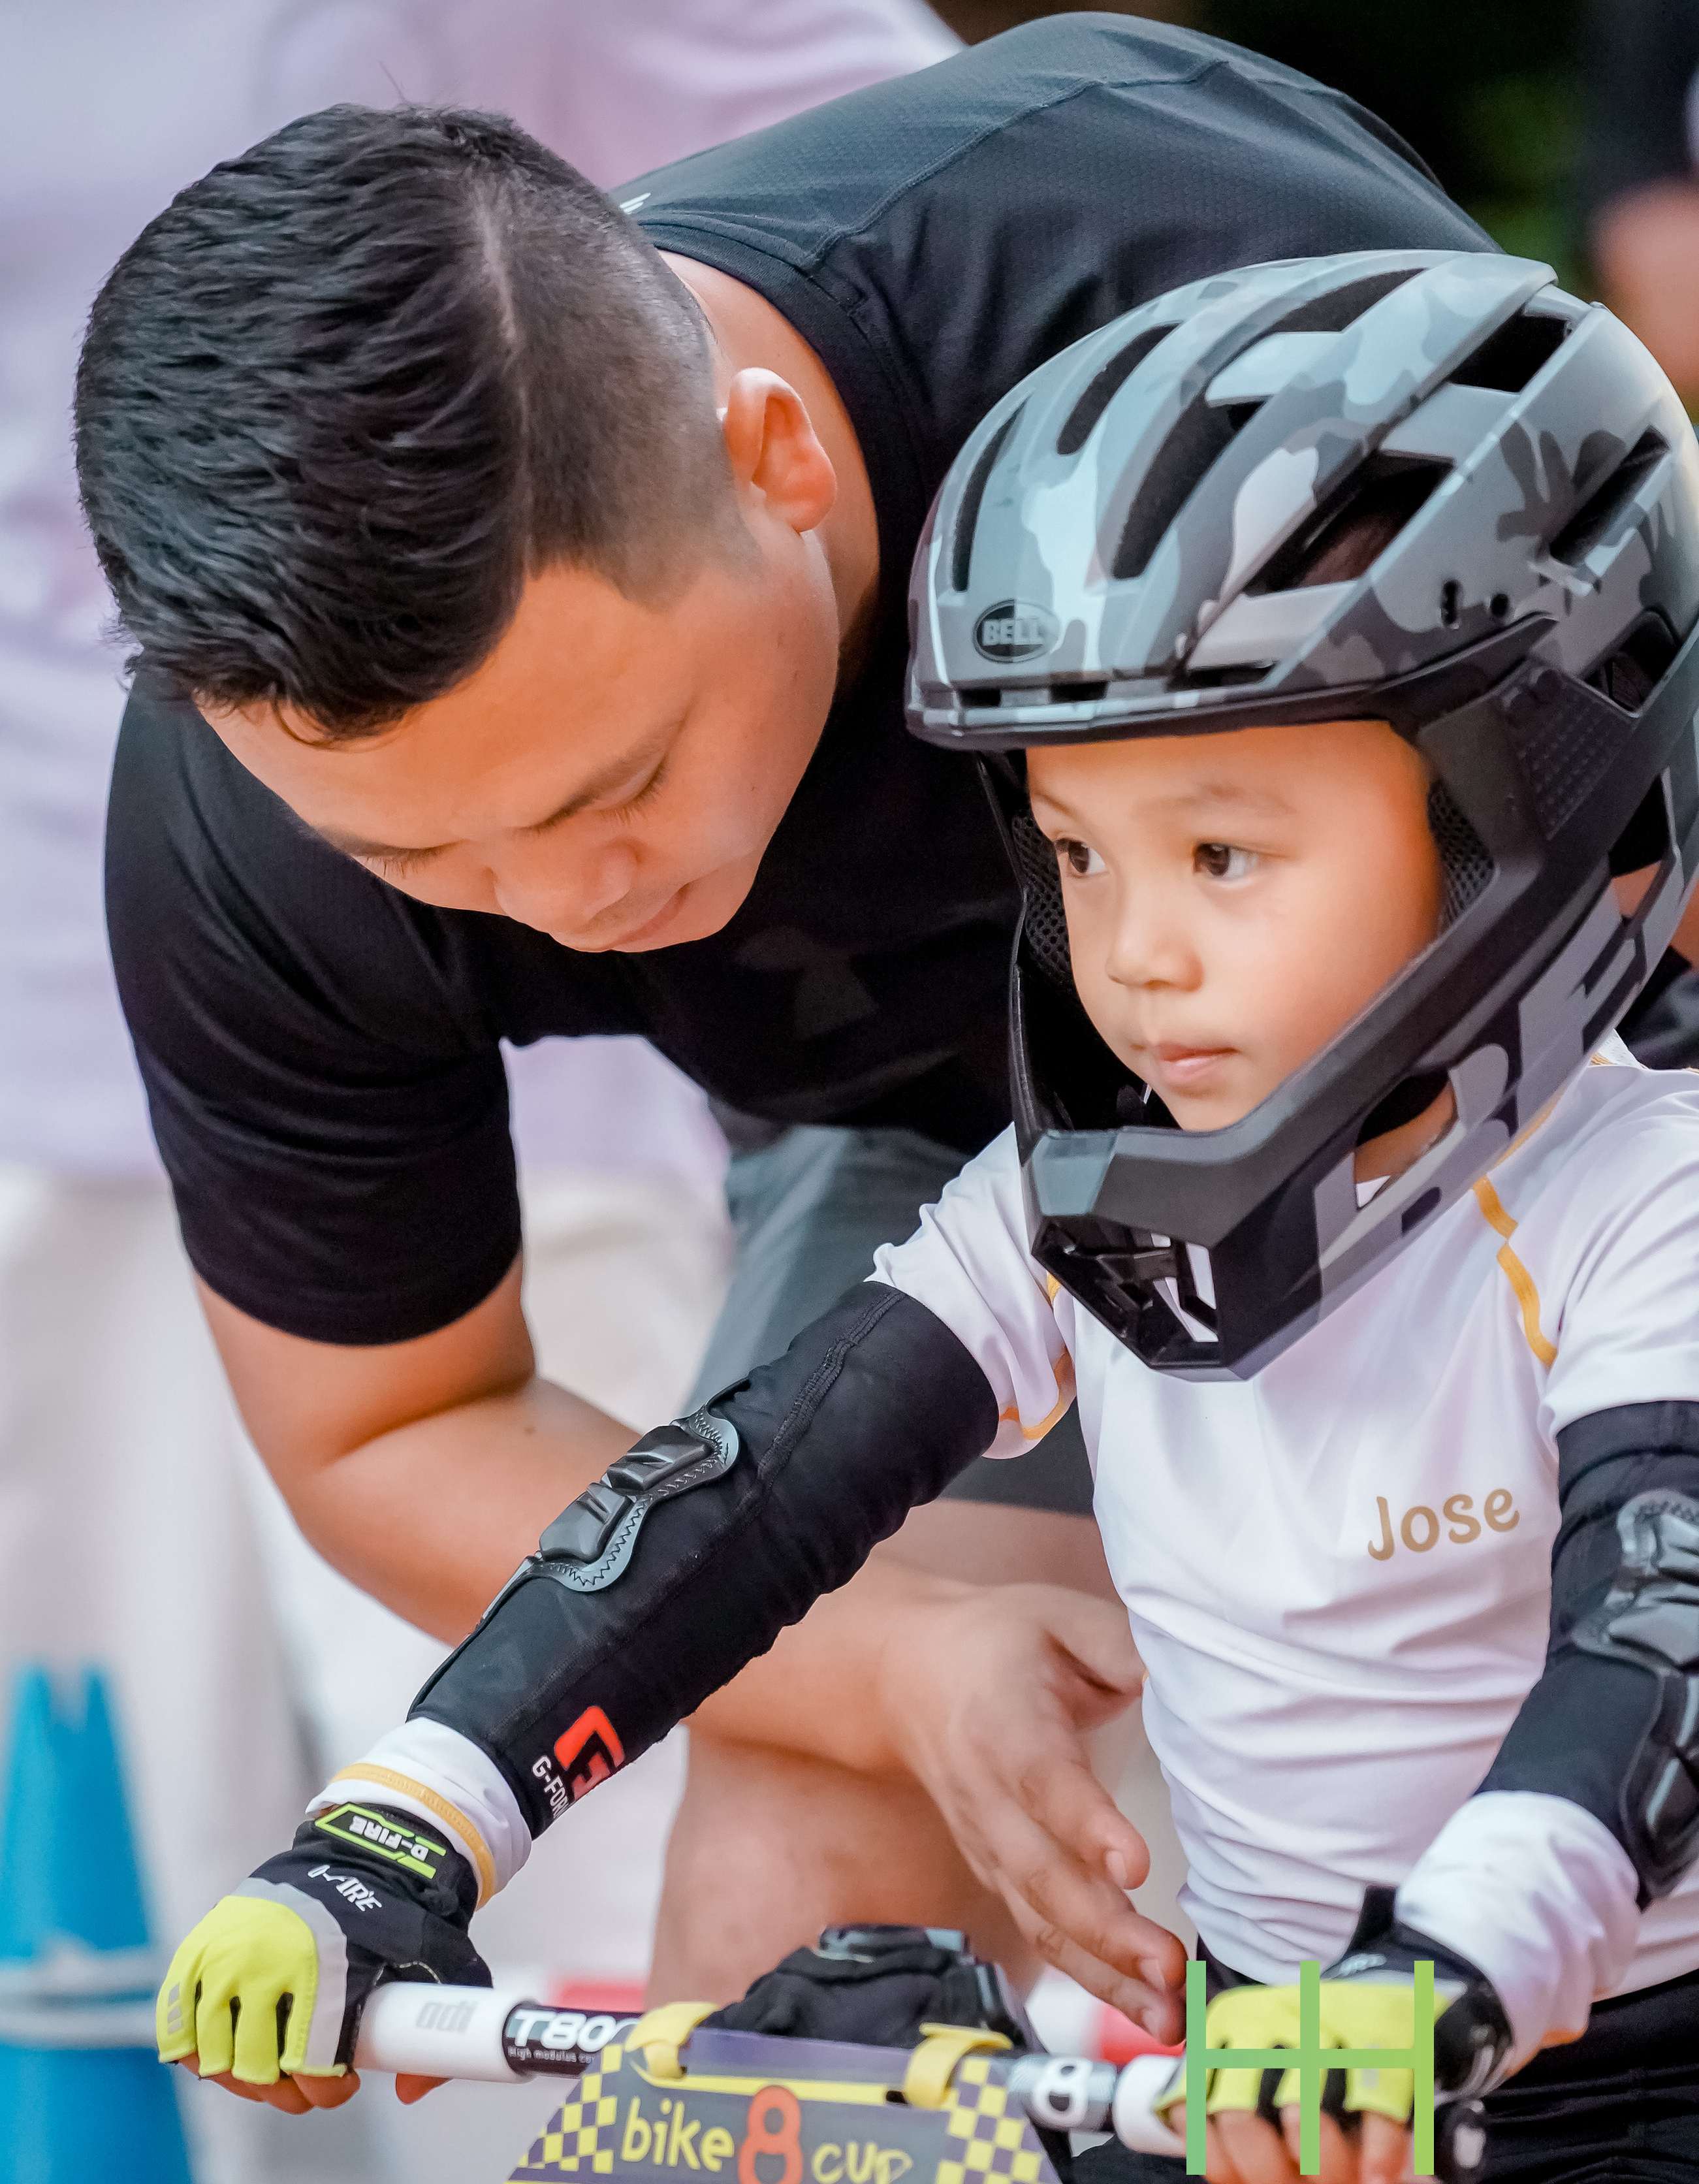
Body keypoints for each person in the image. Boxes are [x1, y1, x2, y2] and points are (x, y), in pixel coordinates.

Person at [153, 248, 1699, 2183]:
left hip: (1584, 2064)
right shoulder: (1070, 1202)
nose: (1131, 954)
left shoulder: (1641, 1191)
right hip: (1263, 2085)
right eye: (1073, 851)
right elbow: (744, 1500)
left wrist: (1447, 1970)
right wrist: (395, 1827)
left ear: (1521, 805)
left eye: (1221, 852)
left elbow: (1653, 1635)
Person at [74, 17, 1501, 2016]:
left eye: (618, 782)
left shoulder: (1187, 270)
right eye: (438, 862)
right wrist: (895, 1661)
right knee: (794, 1942)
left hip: (1531, 1062)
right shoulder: (254, 819)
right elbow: (394, 1422)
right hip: (935, 1164)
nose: (573, 899)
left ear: (780, 459)